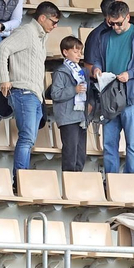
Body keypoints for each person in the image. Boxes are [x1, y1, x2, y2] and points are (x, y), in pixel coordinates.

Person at [84, 0, 134, 172]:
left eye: (119, 23)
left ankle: (132, 183)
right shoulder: (104, 36)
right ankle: (112, 182)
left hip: (131, 96)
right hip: (109, 96)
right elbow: (98, 58)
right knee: (109, 145)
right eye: (111, 23)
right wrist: (97, 68)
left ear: (128, 17)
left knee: (132, 145)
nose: (115, 27)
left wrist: (130, 74)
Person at [0, 0, 63, 174]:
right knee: (27, 138)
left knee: (28, 138)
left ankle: (21, 176)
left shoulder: (40, 36)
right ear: (42, 18)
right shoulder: (27, 32)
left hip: (34, 94)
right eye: (53, 22)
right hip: (24, 92)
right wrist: (4, 79)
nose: (55, 26)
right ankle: (20, 177)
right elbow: (1, 49)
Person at [47, 35, 92, 171]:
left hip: (81, 116)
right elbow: (55, 94)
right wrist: (74, 90)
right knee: (70, 153)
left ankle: (76, 182)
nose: (79, 54)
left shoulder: (82, 72)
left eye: (80, 51)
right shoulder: (61, 72)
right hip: (68, 117)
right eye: (75, 51)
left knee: (80, 154)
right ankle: (69, 181)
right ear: (65, 52)